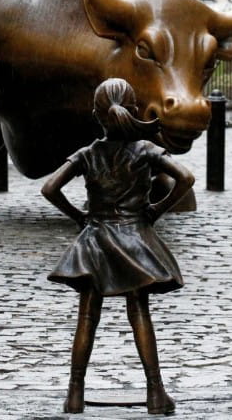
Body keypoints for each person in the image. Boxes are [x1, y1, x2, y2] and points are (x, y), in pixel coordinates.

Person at [42, 78, 195, 415]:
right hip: (134, 239)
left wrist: (79, 217)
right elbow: (186, 178)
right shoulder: (145, 150)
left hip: (95, 237)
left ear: (97, 115)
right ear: (133, 109)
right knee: (139, 312)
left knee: (87, 316)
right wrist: (155, 210)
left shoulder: (88, 153)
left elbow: (50, 188)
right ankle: (156, 393)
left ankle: (74, 394)